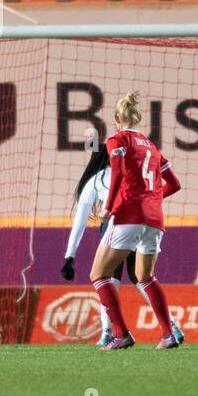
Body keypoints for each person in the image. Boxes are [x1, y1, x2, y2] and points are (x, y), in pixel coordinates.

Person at [91, 92, 183, 351]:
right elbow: (174, 184)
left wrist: (109, 208)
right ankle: (168, 335)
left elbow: (118, 171)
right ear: (139, 118)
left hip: (128, 215)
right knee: (146, 277)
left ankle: (120, 334)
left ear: (117, 118)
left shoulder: (117, 139)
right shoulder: (152, 146)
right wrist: (151, 198)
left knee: (99, 274)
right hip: (154, 218)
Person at [62, 146, 138, 346]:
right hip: (140, 223)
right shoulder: (130, 172)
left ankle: (108, 331)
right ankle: (171, 328)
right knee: (141, 277)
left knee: (103, 277)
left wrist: (69, 256)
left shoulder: (96, 180)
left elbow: (79, 223)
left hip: (113, 226)